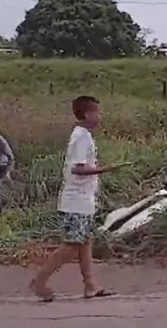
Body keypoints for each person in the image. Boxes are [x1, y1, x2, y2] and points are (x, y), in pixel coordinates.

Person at [29, 95, 119, 302]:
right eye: (96, 112)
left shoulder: (83, 135)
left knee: (85, 242)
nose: (99, 116)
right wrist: (104, 169)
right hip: (76, 200)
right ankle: (40, 280)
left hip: (82, 199)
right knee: (73, 245)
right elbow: (78, 168)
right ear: (87, 114)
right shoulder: (82, 137)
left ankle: (91, 285)